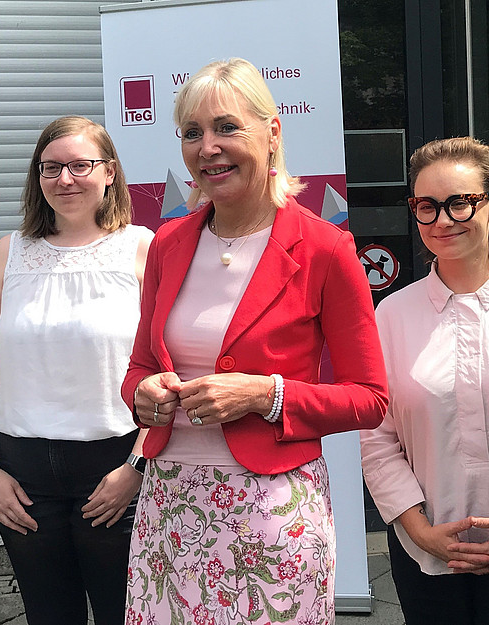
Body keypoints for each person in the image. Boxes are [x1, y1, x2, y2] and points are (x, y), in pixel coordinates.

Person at [121, 58, 388, 625]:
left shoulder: (325, 249)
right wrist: (142, 394)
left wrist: (265, 395)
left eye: (226, 127)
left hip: (272, 511)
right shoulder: (168, 243)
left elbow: (369, 398)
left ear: (272, 133)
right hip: (170, 505)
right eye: (192, 133)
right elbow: (140, 367)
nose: (208, 147)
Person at [0, 115, 152, 625]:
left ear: (109, 172)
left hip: (114, 466)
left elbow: (166, 370)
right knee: (48, 615)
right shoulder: (10, 253)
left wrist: (136, 467)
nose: (65, 179)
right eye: (51, 168)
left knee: (124, 614)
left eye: (80, 165)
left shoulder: (143, 248)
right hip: (23, 473)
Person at [360, 137, 489, 625]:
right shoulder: (391, 315)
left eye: (459, 202)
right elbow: (377, 440)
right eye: (426, 207)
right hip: (427, 555)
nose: (442, 221)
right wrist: (419, 530)